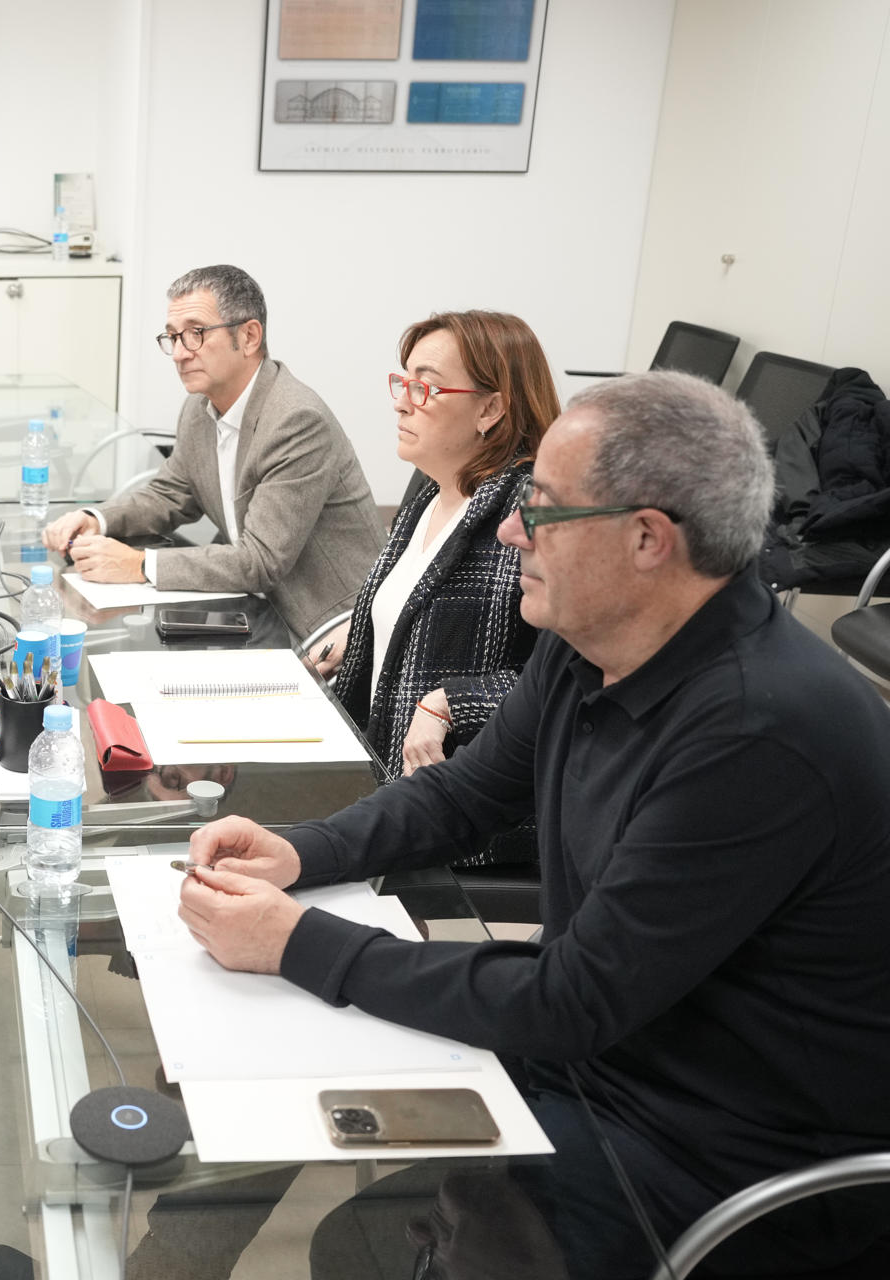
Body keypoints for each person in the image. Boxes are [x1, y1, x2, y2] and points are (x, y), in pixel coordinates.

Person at [176, 371, 890, 1276]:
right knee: (288, 1098)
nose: (512, 529)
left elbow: (570, 1000)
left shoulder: (761, 733)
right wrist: (300, 851)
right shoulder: (594, 640)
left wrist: (295, 942)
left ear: (646, 539)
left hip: (720, 1156)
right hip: (608, 1071)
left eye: (542, 509)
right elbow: (462, 796)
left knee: (359, 1244)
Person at [310, 311, 558, 865]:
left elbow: (568, 675)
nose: (402, 402)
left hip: (465, 827)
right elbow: (415, 602)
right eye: (403, 382)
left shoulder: (529, 512)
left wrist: (453, 702)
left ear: (490, 409)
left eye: (425, 387)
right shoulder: (432, 486)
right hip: (387, 787)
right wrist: (366, 627)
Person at [42, 265, 383, 641]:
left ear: (249, 336)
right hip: (252, 611)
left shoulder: (296, 420)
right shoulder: (199, 407)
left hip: (330, 629)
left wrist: (137, 564)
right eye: (173, 337)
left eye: (196, 334)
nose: (179, 354)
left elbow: (260, 560)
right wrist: (97, 519)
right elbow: (170, 494)